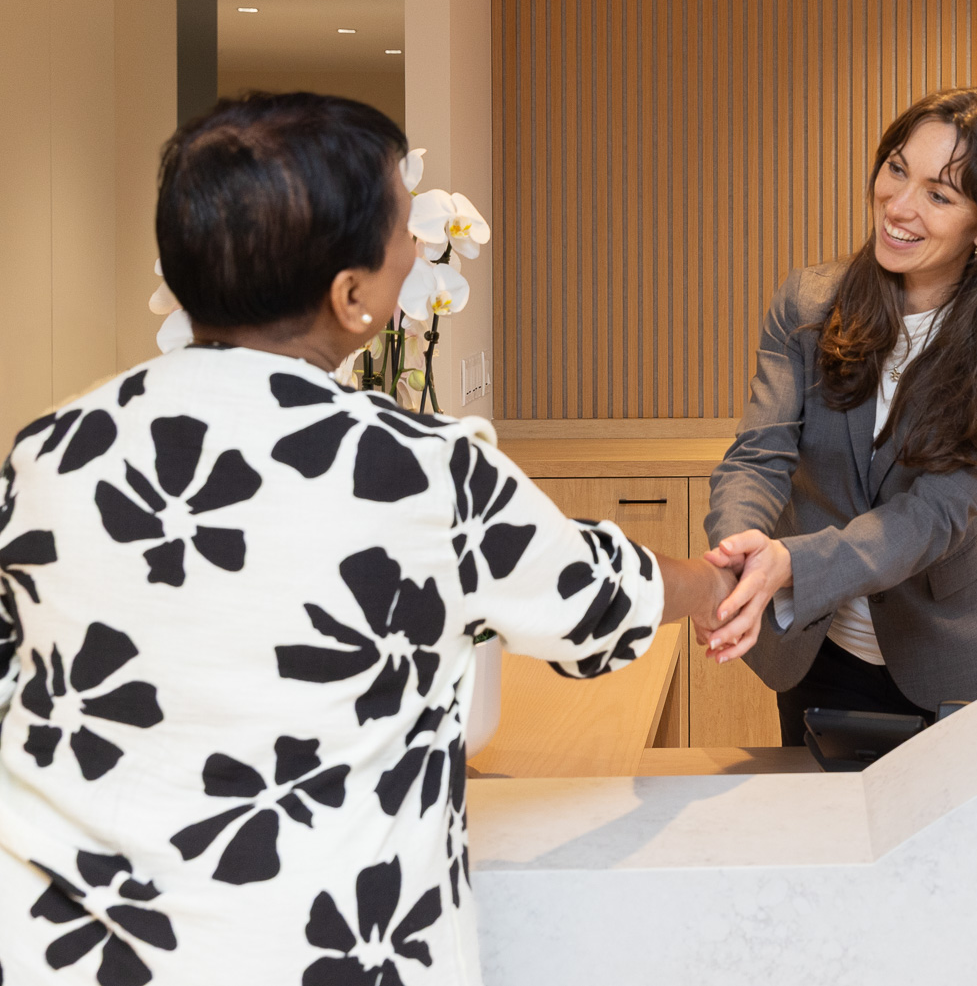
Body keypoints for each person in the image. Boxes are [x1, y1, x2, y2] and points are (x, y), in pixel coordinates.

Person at [0, 93, 731, 983]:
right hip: (318, 955)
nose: (417, 250)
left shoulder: (47, 452)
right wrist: (715, 582)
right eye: (400, 232)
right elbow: (603, 593)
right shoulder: (419, 471)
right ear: (351, 297)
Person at [702, 88, 977, 744]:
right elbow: (758, 456)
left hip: (959, 657)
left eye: (939, 195)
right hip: (818, 650)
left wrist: (789, 564)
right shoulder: (808, 305)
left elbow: (931, 515)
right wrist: (735, 560)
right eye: (897, 168)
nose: (899, 205)